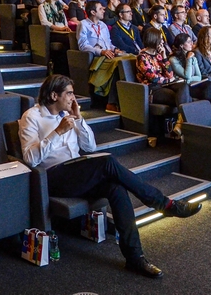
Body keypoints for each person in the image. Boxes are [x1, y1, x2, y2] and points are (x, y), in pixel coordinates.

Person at [18, 75, 200, 278]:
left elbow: (90, 147)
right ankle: (163, 204)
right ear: (54, 95)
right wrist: (57, 133)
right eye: (69, 93)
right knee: (108, 162)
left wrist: (79, 119)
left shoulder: (69, 115)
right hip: (52, 178)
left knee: (117, 189)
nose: (72, 98)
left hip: (78, 172)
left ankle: (134, 258)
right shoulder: (31, 116)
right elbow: (30, 159)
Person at [135, 28, 190, 139]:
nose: (162, 42)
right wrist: (168, 80)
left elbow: (170, 74)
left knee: (184, 86)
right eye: (160, 39)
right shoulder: (142, 57)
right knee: (181, 96)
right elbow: (152, 78)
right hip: (152, 89)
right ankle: (184, 124)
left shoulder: (159, 55)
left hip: (165, 85)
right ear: (153, 39)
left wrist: (164, 57)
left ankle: (180, 123)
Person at [78, 1, 130, 105]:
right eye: (101, 9)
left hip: (109, 54)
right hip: (97, 57)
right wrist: (101, 51)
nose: (104, 10)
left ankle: (128, 98)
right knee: (119, 65)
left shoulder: (103, 25)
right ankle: (112, 102)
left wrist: (115, 49)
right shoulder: (83, 24)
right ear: (93, 12)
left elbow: (109, 43)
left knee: (130, 58)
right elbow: (83, 46)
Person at [167, 33, 211, 100]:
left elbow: (199, 77)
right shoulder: (173, 59)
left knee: (208, 84)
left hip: (192, 84)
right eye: (189, 42)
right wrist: (188, 59)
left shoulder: (192, 56)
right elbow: (187, 75)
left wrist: (187, 80)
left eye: (191, 41)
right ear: (181, 45)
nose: (191, 44)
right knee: (206, 90)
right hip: (184, 87)